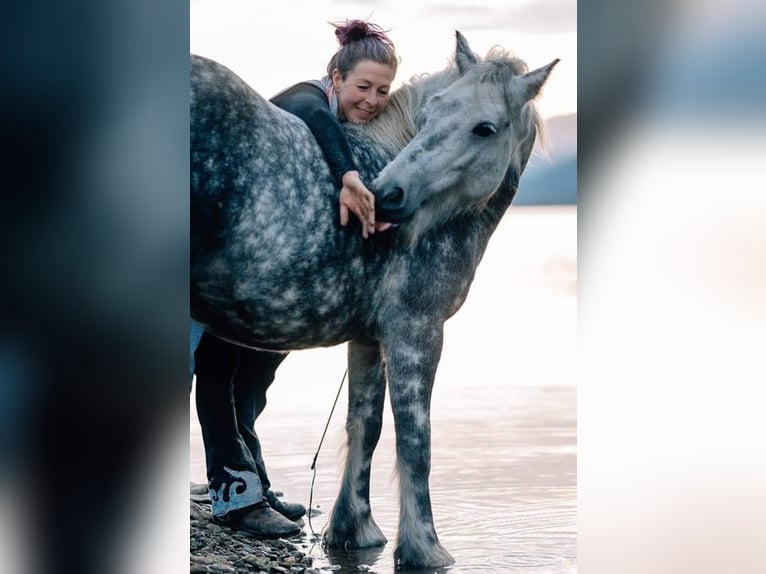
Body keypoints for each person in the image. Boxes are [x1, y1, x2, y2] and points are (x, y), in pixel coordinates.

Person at [192, 19, 400, 539]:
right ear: (335, 77)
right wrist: (349, 176)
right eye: (362, 87)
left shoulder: (351, 128)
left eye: (383, 91)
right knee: (217, 373)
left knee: (252, 387)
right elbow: (314, 117)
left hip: (279, 283)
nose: (373, 99)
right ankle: (234, 493)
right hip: (233, 271)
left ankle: (251, 480)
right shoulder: (305, 99)